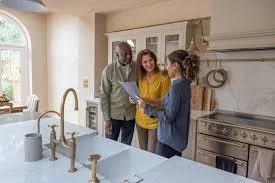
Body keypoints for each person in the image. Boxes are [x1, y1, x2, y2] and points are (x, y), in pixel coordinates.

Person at [137, 50, 200, 158]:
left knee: (161, 172)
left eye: (167, 64)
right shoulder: (185, 83)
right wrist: (144, 99)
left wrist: (147, 109)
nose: (166, 68)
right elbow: (163, 100)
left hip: (168, 141)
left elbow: (168, 116)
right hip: (177, 141)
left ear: (175, 65)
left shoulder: (176, 87)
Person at [133, 49, 170, 153]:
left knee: (151, 153)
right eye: (145, 62)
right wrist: (133, 98)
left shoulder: (164, 76)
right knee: (143, 152)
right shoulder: (140, 77)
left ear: (155, 60)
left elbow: (164, 102)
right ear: (141, 64)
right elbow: (138, 97)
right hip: (140, 120)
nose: (149, 64)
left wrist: (145, 99)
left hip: (155, 121)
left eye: (151, 60)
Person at [100, 41, 137, 145]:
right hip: (113, 116)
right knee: (110, 146)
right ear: (117, 55)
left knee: (126, 146)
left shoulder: (137, 67)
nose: (129, 56)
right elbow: (104, 96)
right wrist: (107, 119)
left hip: (130, 116)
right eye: (125, 54)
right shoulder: (108, 70)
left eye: (130, 52)